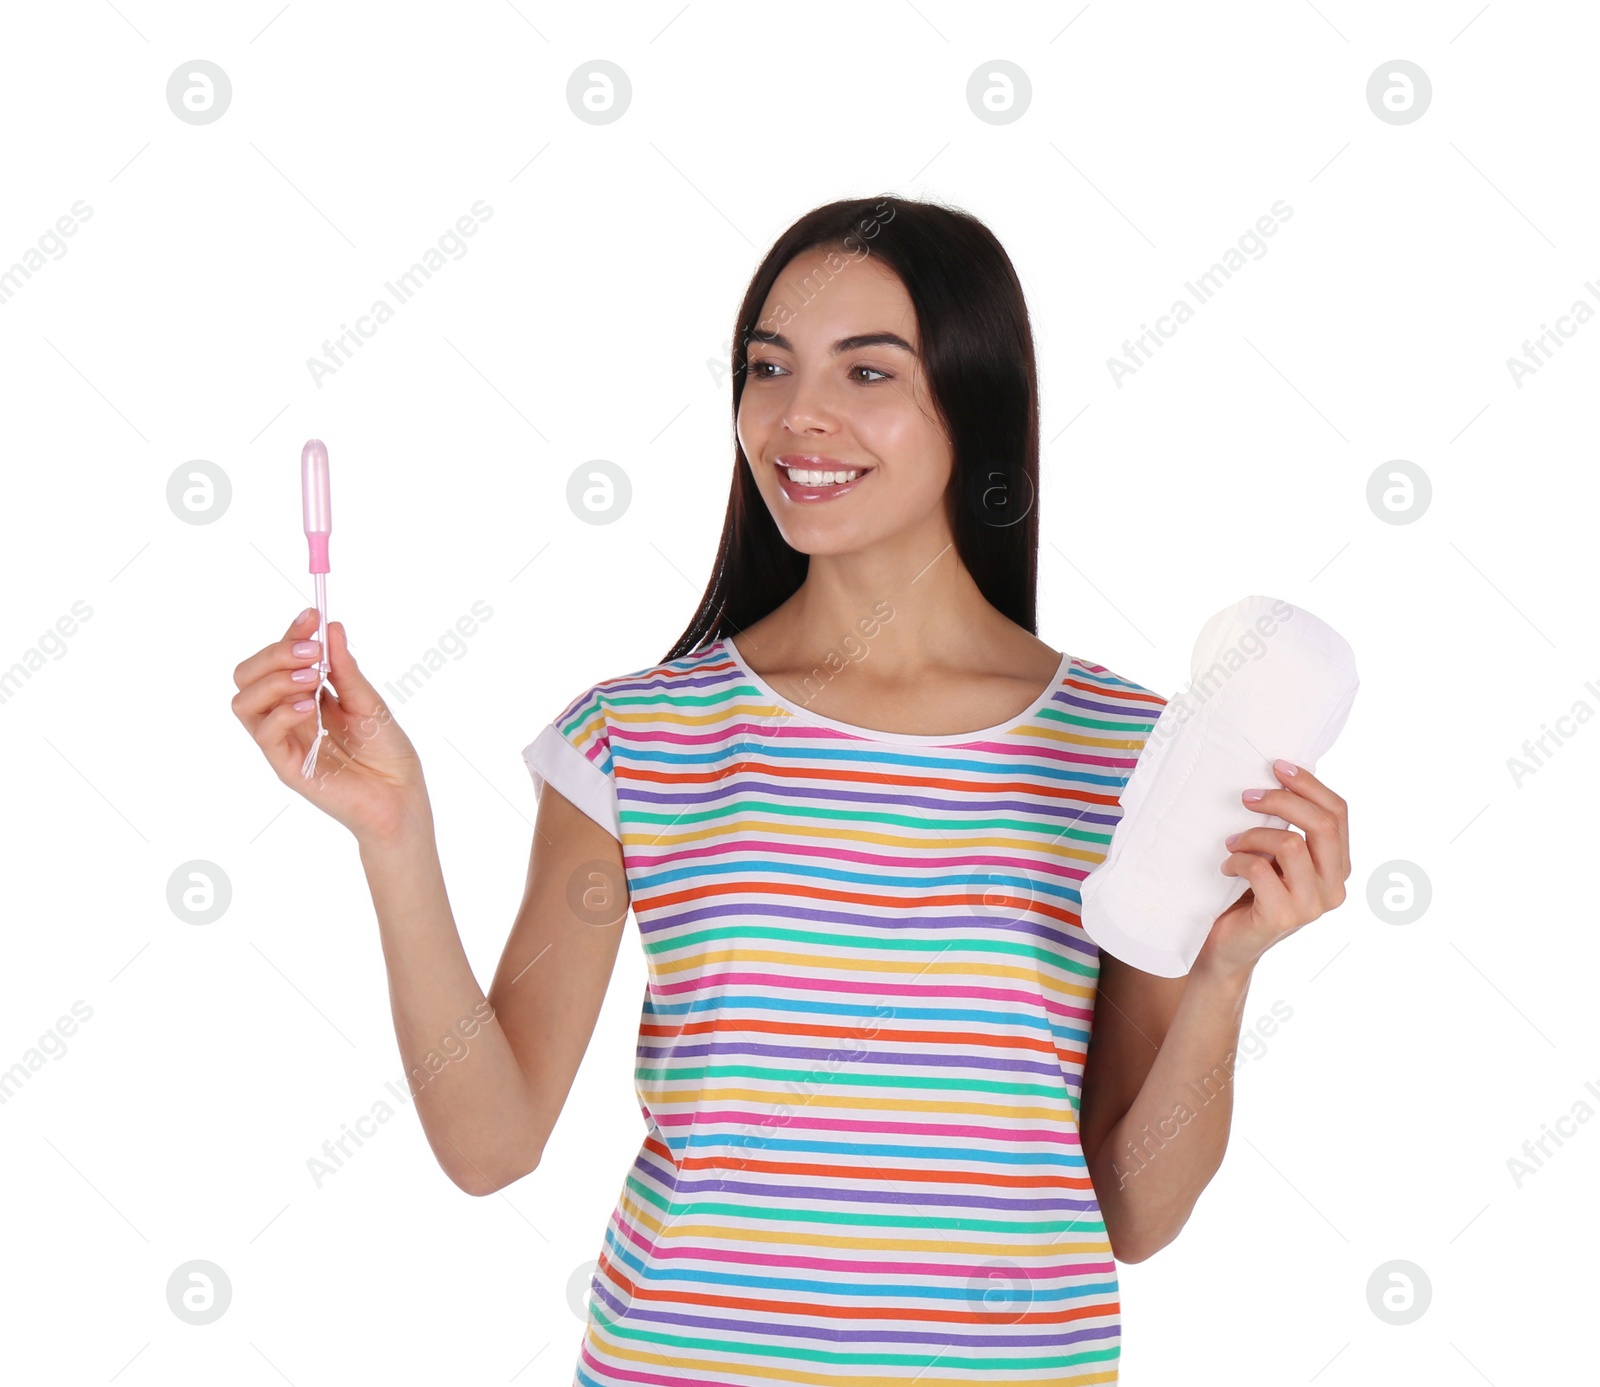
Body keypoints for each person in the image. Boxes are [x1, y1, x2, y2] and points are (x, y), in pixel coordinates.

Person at [231, 194, 1351, 1385]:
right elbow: (490, 1143)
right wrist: (395, 835)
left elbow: (1132, 1213)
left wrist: (1228, 970)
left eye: (866, 371)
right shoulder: (637, 741)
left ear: (974, 403)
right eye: (767, 367)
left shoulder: (1130, 754)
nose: (796, 416)